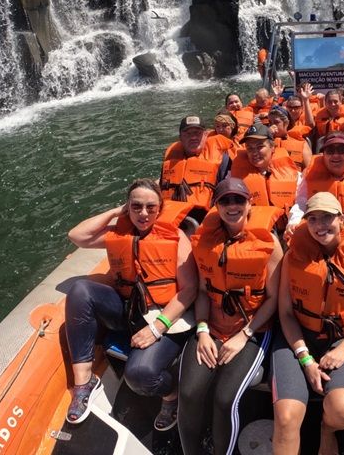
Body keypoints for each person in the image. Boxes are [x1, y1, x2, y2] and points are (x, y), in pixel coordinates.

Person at [63, 179, 197, 429]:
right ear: (128, 207)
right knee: (80, 290)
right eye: (135, 206)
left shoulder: (175, 237)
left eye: (150, 207)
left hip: (164, 314)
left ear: (160, 208)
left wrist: (158, 327)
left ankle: (171, 395)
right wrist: (116, 212)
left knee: (140, 376)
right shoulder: (119, 232)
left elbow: (190, 290)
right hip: (128, 308)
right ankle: (84, 383)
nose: (143, 213)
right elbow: (77, 236)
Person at [178, 178, 284, 455]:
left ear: (250, 205)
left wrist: (243, 335)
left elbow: (274, 299)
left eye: (239, 200)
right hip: (211, 325)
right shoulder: (205, 242)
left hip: (252, 330)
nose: (232, 206)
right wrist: (202, 330)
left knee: (225, 400)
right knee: (188, 394)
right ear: (217, 206)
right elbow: (202, 290)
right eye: (225, 201)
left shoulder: (269, 244)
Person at [271, 192, 344, 455]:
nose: (321, 226)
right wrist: (305, 358)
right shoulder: (292, 259)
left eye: (328, 217)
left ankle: (326, 430)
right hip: (298, 338)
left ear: (342, 219)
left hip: (341, 338)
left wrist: (343, 349)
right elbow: (285, 313)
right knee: (286, 418)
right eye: (313, 219)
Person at [228, 123, 300, 229]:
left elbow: (301, 203)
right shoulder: (234, 178)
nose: (254, 152)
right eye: (250, 148)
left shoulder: (295, 175)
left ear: (272, 147)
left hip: (286, 231)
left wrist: (293, 223)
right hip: (253, 231)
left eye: (260, 146)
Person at [159, 115, 228, 222]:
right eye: (188, 133)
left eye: (197, 133)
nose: (193, 137)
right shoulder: (169, 162)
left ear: (206, 135)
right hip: (169, 219)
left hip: (204, 222)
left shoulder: (222, 160)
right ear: (180, 137)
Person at [268, 105, 312, 171]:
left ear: (286, 123)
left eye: (276, 122)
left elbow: (309, 170)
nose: (272, 125)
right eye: (270, 123)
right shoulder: (264, 143)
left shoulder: (301, 144)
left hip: (295, 179)